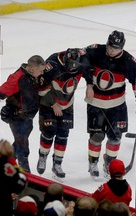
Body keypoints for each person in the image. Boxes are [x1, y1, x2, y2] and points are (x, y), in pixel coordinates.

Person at [84, 30, 136, 179]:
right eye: (110, 46)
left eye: (116, 48)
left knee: (115, 138)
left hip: (117, 105)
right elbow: (82, 61)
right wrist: (88, 83)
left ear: (122, 47)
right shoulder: (95, 51)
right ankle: (92, 162)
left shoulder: (129, 61)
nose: (112, 50)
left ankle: (109, 162)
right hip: (96, 103)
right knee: (97, 136)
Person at [36, 48, 92, 180]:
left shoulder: (83, 60)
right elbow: (41, 86)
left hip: (67, 104)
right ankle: (43, 156)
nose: (72, 70)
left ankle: (57, 164)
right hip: (48, 103)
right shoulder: (52, 63)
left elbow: (89, 71)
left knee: (63, 135)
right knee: (48, 132)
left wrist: (89, 86)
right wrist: (53, 104)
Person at [0, 55, 46, 172]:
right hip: (16, 117)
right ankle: (26, 175)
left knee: (19, 144)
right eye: (40, 71)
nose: (42, 73)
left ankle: (4, 164)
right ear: (32, 69)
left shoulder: (33, 75)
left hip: (27, 117)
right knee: (23, 148)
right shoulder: (17, 79)